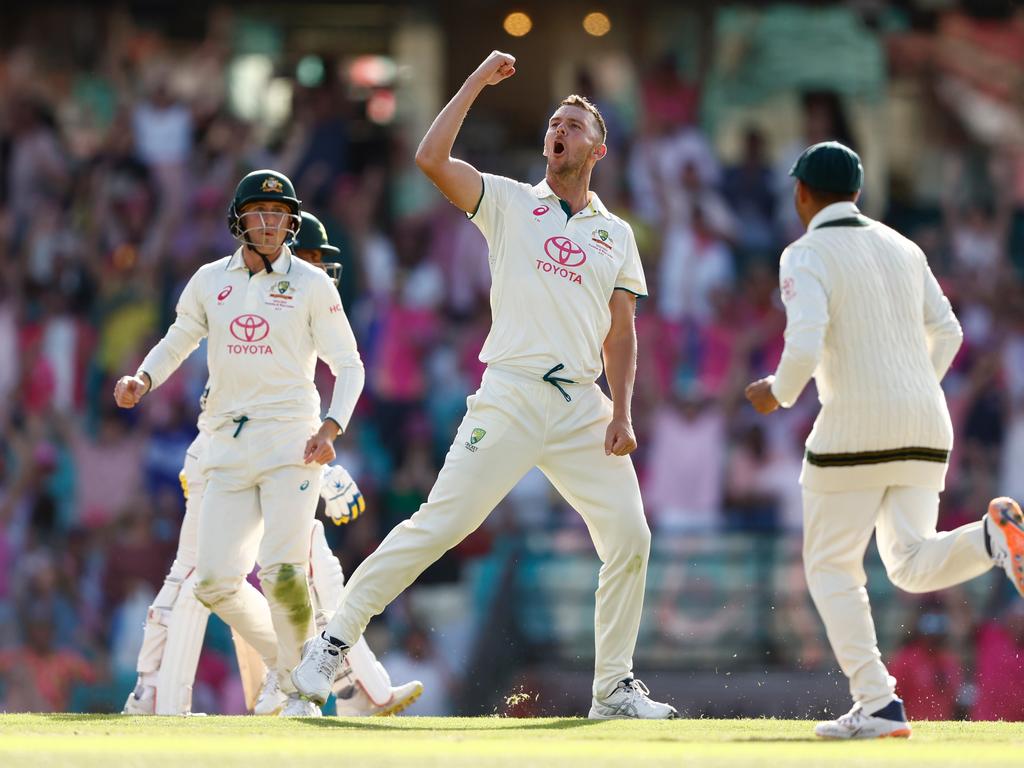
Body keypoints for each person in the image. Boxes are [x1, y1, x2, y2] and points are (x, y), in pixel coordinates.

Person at [292, 50, 675, 720]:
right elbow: (431, 159)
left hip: (584, 401)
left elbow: (622, 333)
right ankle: (331, 645)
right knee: (439, 524)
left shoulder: (615, 234)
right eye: (554, 123)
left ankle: (612, 688)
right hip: (511, 393)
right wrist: (474, 81)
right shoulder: (506, 201)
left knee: (630, 538)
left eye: (574, 125)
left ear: (599, 149)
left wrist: (623, 411)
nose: (559, 131)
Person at [744, 141, 1024, 739]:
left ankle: (877, 703)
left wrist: (779, 390)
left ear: (801, 194)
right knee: (908, 563)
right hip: (926, 423)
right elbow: (947, 332)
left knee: (829, 567)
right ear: (858, 193)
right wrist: (913, 387)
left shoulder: (805, 252)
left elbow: (806, 341)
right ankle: (989, 537)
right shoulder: (904, 245)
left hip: (854, 428)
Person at [122, 215, 421, 718]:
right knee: (203, 579)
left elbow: (313, 384)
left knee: (300, 569)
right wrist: (145, 378)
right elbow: (189, 343)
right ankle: (160, 696)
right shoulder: (221, 283)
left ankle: (334, 690)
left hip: (279, 449)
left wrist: (328, 445)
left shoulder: (308, 290)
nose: (323, 271)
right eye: (316, 260)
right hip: (220, 449)